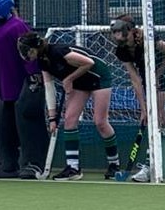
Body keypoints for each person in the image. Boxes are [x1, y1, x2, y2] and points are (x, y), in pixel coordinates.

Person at [18, 31, 120, 181]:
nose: (25, 54)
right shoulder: (42, 62)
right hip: (80, 82)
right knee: (70, 120)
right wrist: (52, 118)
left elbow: (89, 62)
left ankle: (114, 165)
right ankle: (73, 168)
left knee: (100, 122)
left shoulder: (58, 51)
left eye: (27, 50)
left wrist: (69, 79)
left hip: (98, 77)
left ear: (34, 48)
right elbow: (49, 88)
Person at [0, 0, 46, 179]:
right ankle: (8, 165)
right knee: (2, 124)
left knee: (27, 123)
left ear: (2, 6)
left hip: (25, 83)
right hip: (4, 86)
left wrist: (34, 76)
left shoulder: (17, 26)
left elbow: (30, 51)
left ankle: (33, 164)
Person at [108, 14, 165, 182]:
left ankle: (149, 166)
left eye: (120, 32)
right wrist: (143, 109)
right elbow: (135, 79)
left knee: (156, 115)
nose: (117, 36)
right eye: (115, 32)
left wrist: (157, 75)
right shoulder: (121, 50)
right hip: (146, 75)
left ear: (131, 30)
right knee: (159, 118)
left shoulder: (149, 39)